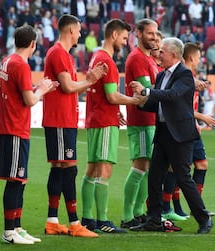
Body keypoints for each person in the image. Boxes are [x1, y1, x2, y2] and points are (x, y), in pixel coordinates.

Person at [131, 37, 214, 234]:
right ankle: (154, 220)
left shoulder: (184, 75)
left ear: (174, 55)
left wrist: (146, 91)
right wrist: (140, 101)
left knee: (183, 177)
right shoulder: (162, 75)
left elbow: (172, 96)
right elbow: (158, 103)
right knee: (155, 176)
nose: (159, 54)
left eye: (162, 52)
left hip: (181, 135)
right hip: (164, 132)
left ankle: (204, 219)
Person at [42, 14, 107, 238]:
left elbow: (70, 86)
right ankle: (74, 223)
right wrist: (90, 80)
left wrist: (88, 82)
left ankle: (52, 221)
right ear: (71, 30)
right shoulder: (59, 53)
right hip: (59, 119)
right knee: (69, 168)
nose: (80, 34)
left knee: (60, 168)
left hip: (64, 118)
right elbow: (69, 86)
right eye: (79, 30)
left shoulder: (64, 55)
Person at [0, 25, 58, 245]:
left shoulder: (7, 60)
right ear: (33, 44)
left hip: (12, 127)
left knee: (20, 179)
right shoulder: (21, 65)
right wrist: (42, 90)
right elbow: (30, 100)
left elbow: (17, 91)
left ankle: (17, 227)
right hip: (13, 128)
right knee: (15, 180)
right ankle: (9, 231)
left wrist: (37, 87)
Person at [81, 18, 142, 234]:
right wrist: (135, 100)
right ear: (114, 35)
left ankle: (87, 218)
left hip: (96, 118)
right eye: (124, 38)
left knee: (92, 169)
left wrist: (117, 111)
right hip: (104, 121)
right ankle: (103, 221)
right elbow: (112, 96)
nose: (125, 42)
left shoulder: (96, 56)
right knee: (104, 169)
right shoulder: (107, 61)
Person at [162, 42, 215, 219]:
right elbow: (178, 105)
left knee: (199, 165)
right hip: (182, 128)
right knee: (176, 168)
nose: (201, 59)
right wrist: (200, 117)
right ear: (192, 57)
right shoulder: (182, 76)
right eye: (199, 56)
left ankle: (194, 208)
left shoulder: (190, 76)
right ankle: (169, 207)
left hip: (191, 127)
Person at [121, 18, 159, 229]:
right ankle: (127, 216)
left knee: (148, 166)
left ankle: (138, 211)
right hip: (141, 119)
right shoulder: (137, 58)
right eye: (150, 33)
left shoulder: (149, 59)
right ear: (139, 34)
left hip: (151, 119)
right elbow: (147, 90)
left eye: (155, 33)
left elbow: (153, 88)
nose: (153, 37)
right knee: (141, 165)